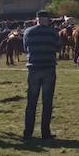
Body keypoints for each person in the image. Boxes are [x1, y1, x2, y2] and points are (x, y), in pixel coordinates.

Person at [22, 10, 61, 142]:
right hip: (49, 68)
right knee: (47, 102)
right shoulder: (53, 33)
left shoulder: (28, 32)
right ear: (48, 19)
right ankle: (45, 132)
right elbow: (58, 47)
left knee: (31, 101)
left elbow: (25, 48)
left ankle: (28, 132)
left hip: (33, 68)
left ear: (37, 19)